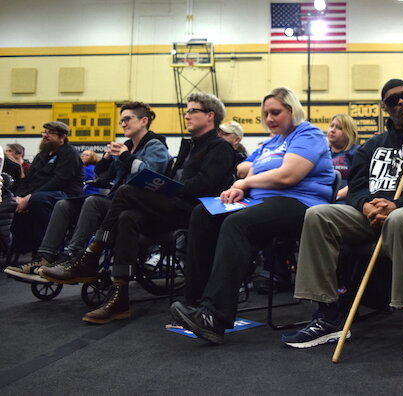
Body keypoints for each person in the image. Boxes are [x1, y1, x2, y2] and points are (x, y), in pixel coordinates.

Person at [280, 79, 403, 360]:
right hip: (371, 213)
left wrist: (397, 203)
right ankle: (328, 315)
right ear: (383, 107)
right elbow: (357, 186)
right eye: (393, 101)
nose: (401, 103)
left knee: (399, 219)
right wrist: (366, 206)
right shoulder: (372, 145)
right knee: (318, 215)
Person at [42, 92, 236, 324]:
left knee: (126, 192)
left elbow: (207, 185)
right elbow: (108, 175)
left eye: (192, 111)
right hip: (175, 206)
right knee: (127, 217)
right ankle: (120, 298)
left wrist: (171, 187)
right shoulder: (190, 146)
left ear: (210, 116)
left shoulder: (220, 147)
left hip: (195, 212)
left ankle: (91, 256)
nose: (186, 115)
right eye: (186, 111)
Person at [169, 87, 335, 344]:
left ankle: (215, 317)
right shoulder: (272, 142)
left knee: (237, 223)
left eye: (276, 112)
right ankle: (195, 304)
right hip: (261, 202)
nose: (269, 119)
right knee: (203, 214)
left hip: (301, 203)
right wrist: (248, 177)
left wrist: (249, 180)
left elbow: (288, 176)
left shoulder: (308, 134)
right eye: (266, 113)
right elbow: (241, 166)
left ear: (293, 110)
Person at [6, 102, 171, 279]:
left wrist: (124, 156)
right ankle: (45, 257)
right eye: (121, 120)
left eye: (127, 119)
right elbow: (103, 177)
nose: (123, 124)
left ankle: (74, 258)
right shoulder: (127, 146)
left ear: (143, 121)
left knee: (93, 202)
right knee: (64, 205)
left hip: (138, 206)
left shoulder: (156, 146)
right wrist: (107, 158)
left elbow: (151, 176)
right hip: (117, 202)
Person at [6, 122, 82, 256]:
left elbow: (59, 181)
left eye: (50, 133)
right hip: (41, 194)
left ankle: (47, 251)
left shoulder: (70, 154)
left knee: (38, 200)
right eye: (45, 132)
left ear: (62, 137)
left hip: (67, 196)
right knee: (12, 202)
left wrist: (29, 197)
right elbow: (28, 180)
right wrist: (19, 197)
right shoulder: (42, 155)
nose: (45, 135)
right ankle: (21, 248)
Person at [327, 113, 359, 201]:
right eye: (331, 126)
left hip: (344, 201)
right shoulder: (322, 152)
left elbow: (358, 182)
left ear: (349, 132)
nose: (332, 130)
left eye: (339, 128)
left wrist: (336, 195)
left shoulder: (357, 152)